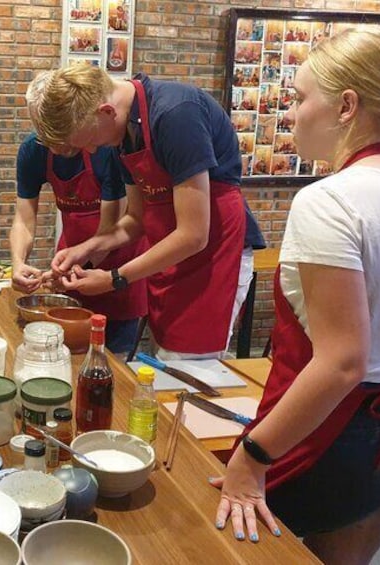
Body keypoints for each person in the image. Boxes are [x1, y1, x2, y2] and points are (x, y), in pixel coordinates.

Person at [209, 28, 380, 562]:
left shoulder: (330, 201)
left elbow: (344, 363)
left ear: (346, 106)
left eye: (300, 98)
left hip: (333, 445)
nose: (292, 113)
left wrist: (252, 457)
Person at [32, 64, 265, 360]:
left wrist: (115, 278)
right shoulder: (125, 133)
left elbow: (194, 235)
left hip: (213, 255)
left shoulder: (177, 115)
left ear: (106, 111)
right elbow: (136, 220)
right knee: (168, 359)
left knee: (190, 367)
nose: (91, 151)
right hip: (171, 256)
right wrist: (86, 249)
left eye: (90, 141)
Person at [10, 73, 147, 353]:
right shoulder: (32, 152)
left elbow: (110, 228)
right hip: (73, 263)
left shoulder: (104, 148)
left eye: (59, 135)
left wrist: (61, 273)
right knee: (66, 354)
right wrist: (18, 262)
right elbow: (24, 219)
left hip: (115, 266)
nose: (56, 146)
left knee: (112, 362)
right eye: (47, 137)